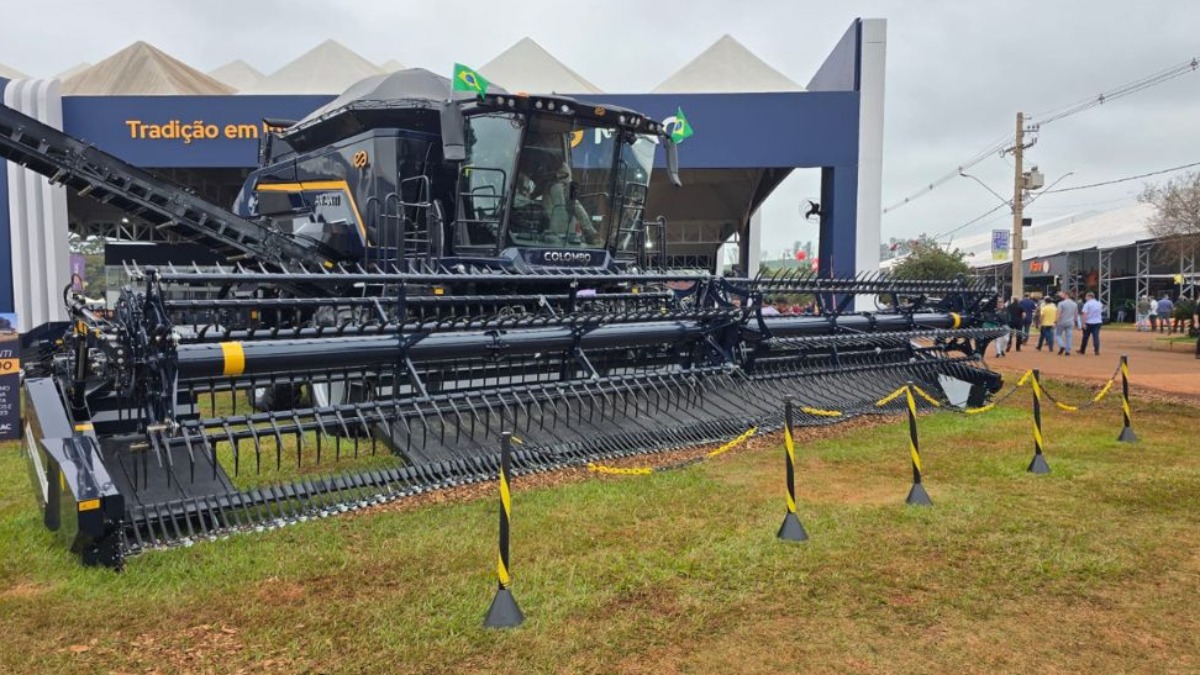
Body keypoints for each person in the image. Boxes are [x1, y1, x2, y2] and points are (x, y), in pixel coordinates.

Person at [1055, 291, 1079, 356]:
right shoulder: (1075, 304)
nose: (1061, 296)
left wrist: (1056, 321)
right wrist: (1076, 322)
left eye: (1063, 295)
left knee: (1057, 334)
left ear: (1066, 295)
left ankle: (1061, 345)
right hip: (1070, 322)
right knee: (1069, 336)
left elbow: (1059, 313)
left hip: (1062, 321)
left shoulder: (1061, 303)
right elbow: (1076, 314)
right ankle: (1068, 351)